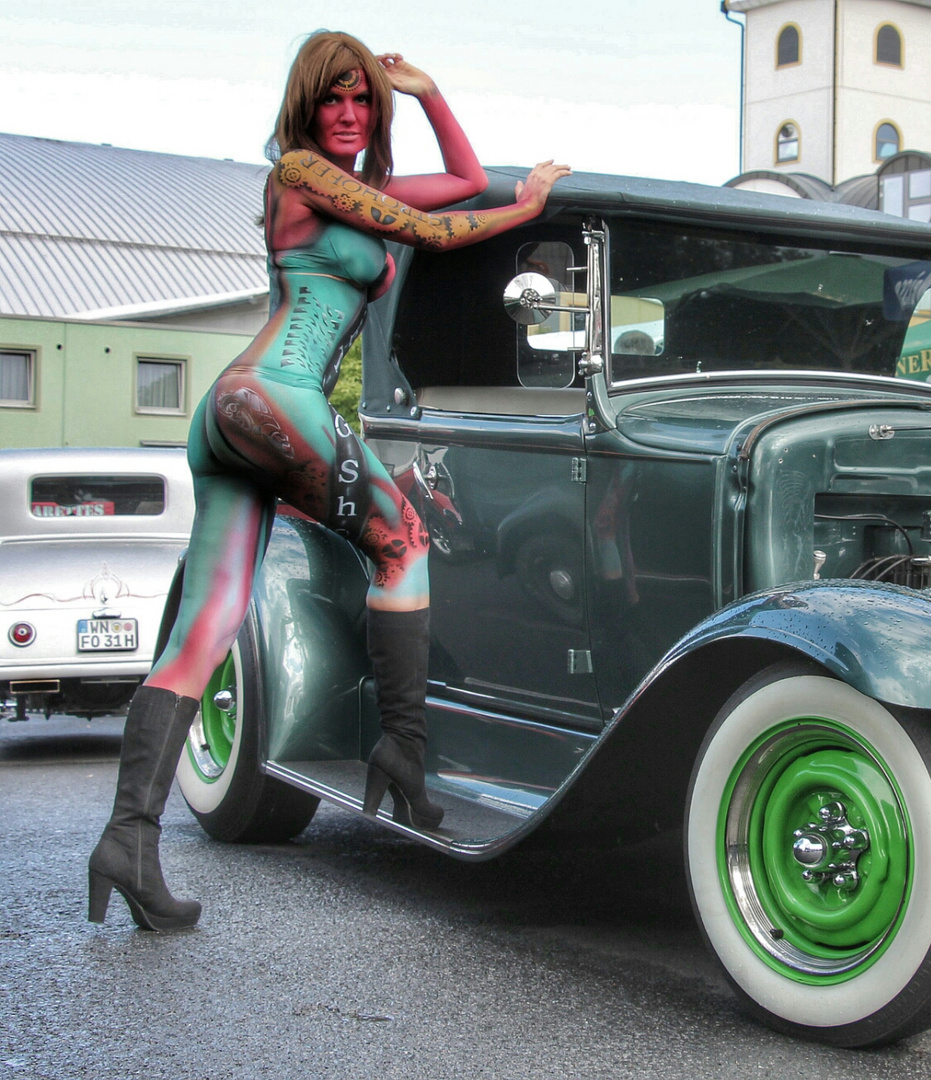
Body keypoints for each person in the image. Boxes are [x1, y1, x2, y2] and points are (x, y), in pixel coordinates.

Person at [86, 31, 570, 931]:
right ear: (306, 109)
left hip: (237, 415)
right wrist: (531, 205)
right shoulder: (302, 173)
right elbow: (437, 228)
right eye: (332, 99)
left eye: (361, 101)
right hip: (276, 397)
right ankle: (404, 757)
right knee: (404, 543)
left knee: (209, 628)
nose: (347, 115)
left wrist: (426, 94)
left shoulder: (358, 190)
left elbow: (461, 180)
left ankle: (128, 840)